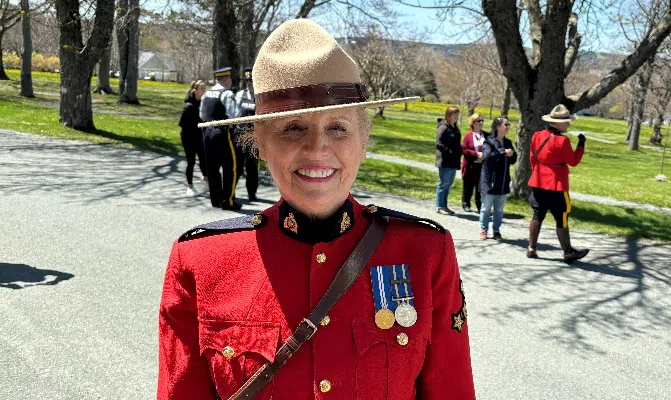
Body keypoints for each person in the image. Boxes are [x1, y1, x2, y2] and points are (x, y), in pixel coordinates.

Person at [158, 19, 475, 400]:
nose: (317, 149)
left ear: (363, 141)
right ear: (260, 143)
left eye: (338, 128)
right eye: (293, 128)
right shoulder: (202, 260)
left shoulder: (423, 252)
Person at [527, 104, 589, 264]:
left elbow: (533, 158)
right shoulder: (562, 141)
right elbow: (573, 161)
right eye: (567, 121)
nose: (568, 124)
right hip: (556, 184)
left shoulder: (537, 135)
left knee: (537, 214)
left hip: (538, 181)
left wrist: (538, 172)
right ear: (558, 123)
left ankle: (531, 248)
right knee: (562, 217)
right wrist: (581, 145)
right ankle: (568, 252)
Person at [200, 66, 241, 210]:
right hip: (222, 133)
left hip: (207, 133)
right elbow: (235, 115)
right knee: (230, 167)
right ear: (226, 79)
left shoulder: (207, 93)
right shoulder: (227, 93)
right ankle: (228, 201)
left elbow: (202, 114)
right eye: (229, 78)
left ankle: (215, 200)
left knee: (212, 168)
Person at [478, 116, 517, 241]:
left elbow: (513, 160)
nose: (507, 127)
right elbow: (487, 157)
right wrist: (502, 152)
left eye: (508, 124)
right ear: (497, 126)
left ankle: (496, 231)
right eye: (505, 124)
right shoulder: (488, 141)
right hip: (489, 181)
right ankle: (483, 230)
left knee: (499, 209)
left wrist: (512, 154)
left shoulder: (508, 142)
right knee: (486, 208)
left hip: (503, 181)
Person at [233, 67, 261, 202]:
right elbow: (233, 114)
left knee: (252, 168)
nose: (249, 83)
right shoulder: (239, 95)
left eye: (251, 80)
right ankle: (231, 191)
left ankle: (252, 194)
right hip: (239, 136)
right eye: (247, 81)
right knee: (236, 166)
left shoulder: (261, 97)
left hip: (253, 138)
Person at [178, 80, 208, 196]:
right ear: (195, 91)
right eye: (201, 89)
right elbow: (181, 123)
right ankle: (190, 186)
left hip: (199, 136)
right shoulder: (189, 106)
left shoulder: (202, 103)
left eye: (204, 89)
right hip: (188, 137)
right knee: (191, 161)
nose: (203, 91)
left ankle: (206, 180)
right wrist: (195, 125)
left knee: (203, 159)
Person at [435, 106, 462, 215]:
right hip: (445, 161)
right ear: (448, 115)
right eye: (454, 114)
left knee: (448, 184)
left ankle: (444, 206)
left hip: (453, 161)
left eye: (457, 114)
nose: (456, 116)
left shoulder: (455, 128)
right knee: (443, 184)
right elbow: (438, 143)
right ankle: (440, 206)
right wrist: (449, 152)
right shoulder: (443, 127)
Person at [461, 113, 485, 212]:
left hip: (482, 166)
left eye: (482, 120)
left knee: (480, 187)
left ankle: (480, 205)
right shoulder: (468, 136)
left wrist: (484, 155)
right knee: (468, 186)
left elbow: (491, 148)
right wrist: (476, 154)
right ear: (473, 123)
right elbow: (464, 150)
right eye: (479, 121)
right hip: (470, 165)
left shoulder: (486, 136)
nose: (481, 123)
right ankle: (466, 203)